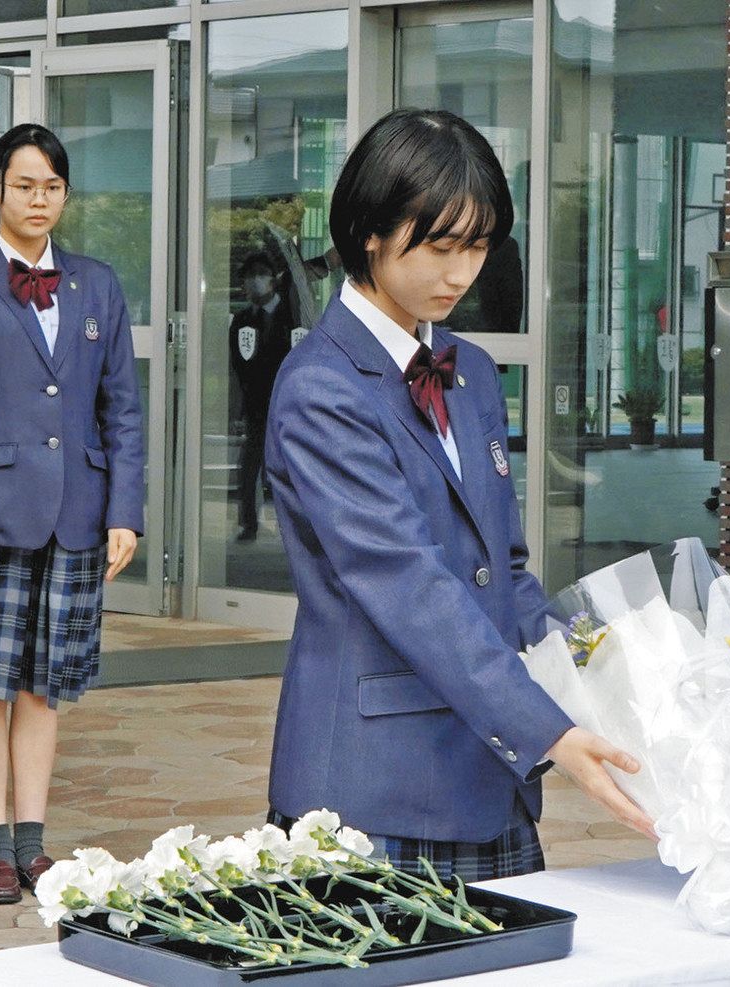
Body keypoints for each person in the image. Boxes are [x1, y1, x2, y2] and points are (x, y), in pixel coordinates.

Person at [264, 108, 653, 883]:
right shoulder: (319, 387)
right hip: (375, 785)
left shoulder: (469, 370)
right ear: (370, 230)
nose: (461, 273)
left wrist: (617, 667)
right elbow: (405, 582)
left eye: (477, 247)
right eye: (440, 246)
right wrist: (550, 730)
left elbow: (502, 571)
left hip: (484, 770)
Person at [0, 124, 145, 904]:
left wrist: (126, 510)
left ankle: (36, 845)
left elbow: (123, 411)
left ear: (65, 196)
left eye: (52, 187)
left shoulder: (97, 285)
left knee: (45, 686)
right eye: (25, 185)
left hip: (76, 514)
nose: (39, 200)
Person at [229, 244, 295, 542]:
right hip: (257, 404)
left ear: (273, 278)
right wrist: (239, 409)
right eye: (250, 276)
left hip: (290, 403)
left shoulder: (291, 313)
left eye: (261, 274)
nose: (255, 281)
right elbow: (238, 369)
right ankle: (248, 523)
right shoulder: (242, 321)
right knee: (249, 465)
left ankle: (296, 528)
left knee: (290, 468)